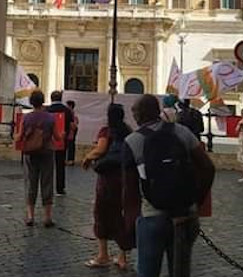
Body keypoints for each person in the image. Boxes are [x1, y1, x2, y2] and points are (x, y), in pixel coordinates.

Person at [124, 94, 215, 277]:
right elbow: (208, 167)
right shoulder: (181, 132)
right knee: (180, 271)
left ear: (137, 116)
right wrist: (195, 201)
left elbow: (130, 190)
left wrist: (129, 226)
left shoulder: (132, 141)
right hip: (184, 214)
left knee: (147, 271)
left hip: (151, 215)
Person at [81, 104, 139, 270]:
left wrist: (87, 157)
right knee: (121, 215)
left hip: (108, 179)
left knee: (101, 213)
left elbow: (100, 149)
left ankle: (103, 255)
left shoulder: (106, 131)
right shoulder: (128, 131)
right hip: (125, 177)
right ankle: (122, 257)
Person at [14, 90, 60, 227]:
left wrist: (15, 136)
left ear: (31, 102)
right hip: (46, 152)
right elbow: (57, 137)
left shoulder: (26, 118)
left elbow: (19, 136)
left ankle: (30, 216)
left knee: (31, 183)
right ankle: (47, 217)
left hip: (30, 154)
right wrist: (63, 134)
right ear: (43, 101)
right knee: (47, 183)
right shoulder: (50, 118)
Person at [46, 90, 74, 196]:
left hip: (48, 141)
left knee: (47, 165)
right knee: (60, 165)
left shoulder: (47, 110)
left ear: (51, 98)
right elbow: (72, 126)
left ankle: (47, 187)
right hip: (62, 140)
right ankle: (60, 188)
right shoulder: (67, 111)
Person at [65, 100, 79, 166]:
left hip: (71, 129)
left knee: (70, 145)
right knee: (70, 144)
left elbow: (74, 122)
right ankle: (70, 159)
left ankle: (70, 160)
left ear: (70, 106)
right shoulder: (71, 112)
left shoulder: (70, 112)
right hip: (72, 129)